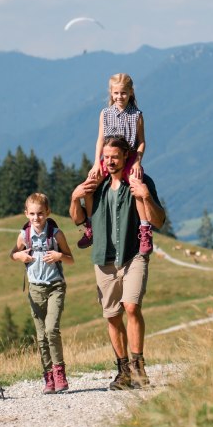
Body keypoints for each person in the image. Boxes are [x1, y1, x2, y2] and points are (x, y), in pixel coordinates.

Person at [70, 135, 165, 390]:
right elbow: (78, 220)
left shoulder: (139, 181)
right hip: (104, 258)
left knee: (131, 307)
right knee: (112, 316)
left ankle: (138, 367)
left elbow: (158, 220)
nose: (110, 161)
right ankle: (122, 369)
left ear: (126, 156)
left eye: (115, 156)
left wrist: (145, 196)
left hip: (133, 253)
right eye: (106, 157)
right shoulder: (96, 184)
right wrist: (74, 197)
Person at [77, 73, 154, 256]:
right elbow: (100, 140)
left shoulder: (137, 115)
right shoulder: (105, 113)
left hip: (129, 158)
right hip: (108, 158)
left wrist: (137, 161)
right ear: (111, 93)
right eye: (116, 93)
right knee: (88, 186)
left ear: (131, 93)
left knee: (136, 185)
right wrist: (97, 163)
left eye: (124, 93)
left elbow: (142, 141)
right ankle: (91, 226)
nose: (120, 97)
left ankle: (144, 230)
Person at [10, 193, 75, 394]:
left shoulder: (56, 234)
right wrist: (20, 256)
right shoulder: (24, 235)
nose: (36, 217)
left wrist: (59, 256)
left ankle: (59, 371)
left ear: (48, 212)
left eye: (40, 213)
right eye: (32, 214)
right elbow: (13, 254)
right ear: (26, 214)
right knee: (40, 336)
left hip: (55, 286)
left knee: (51, 330)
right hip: (35, 288)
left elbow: (71, 258)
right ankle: (48, 377)